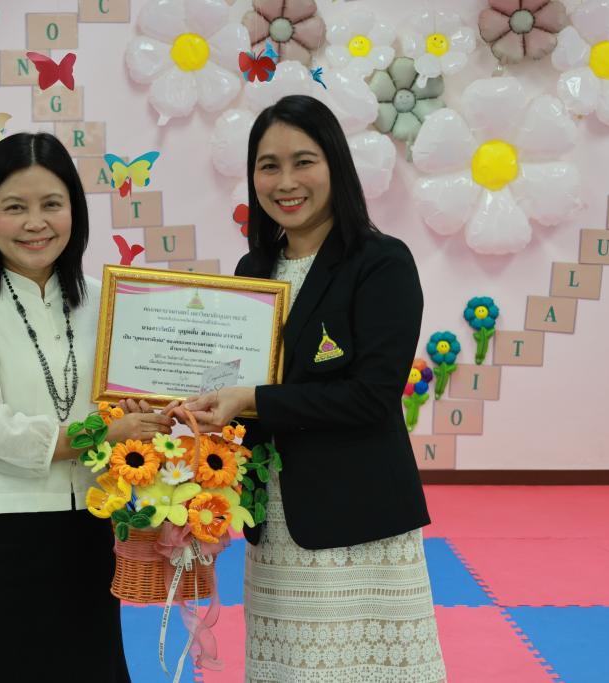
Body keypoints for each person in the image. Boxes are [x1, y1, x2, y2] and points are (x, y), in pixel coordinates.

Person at [177, 95, 447, 681]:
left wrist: (251, 399)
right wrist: (184, 407)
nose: (285, 182)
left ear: (335, 166)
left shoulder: (381, 262)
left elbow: (371, 396)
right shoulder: (254, 270)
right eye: (268, 166)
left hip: (357, 519)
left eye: (304, 161)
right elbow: (237, 386)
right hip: (274, 519)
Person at [0, 132, 171, 682]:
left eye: (52, 204)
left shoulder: (105, 299)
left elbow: (124, 403)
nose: (35, 223)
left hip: (86, 534)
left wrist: (151, 417)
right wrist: (100, 435)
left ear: (74, 213)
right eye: (15, 207)